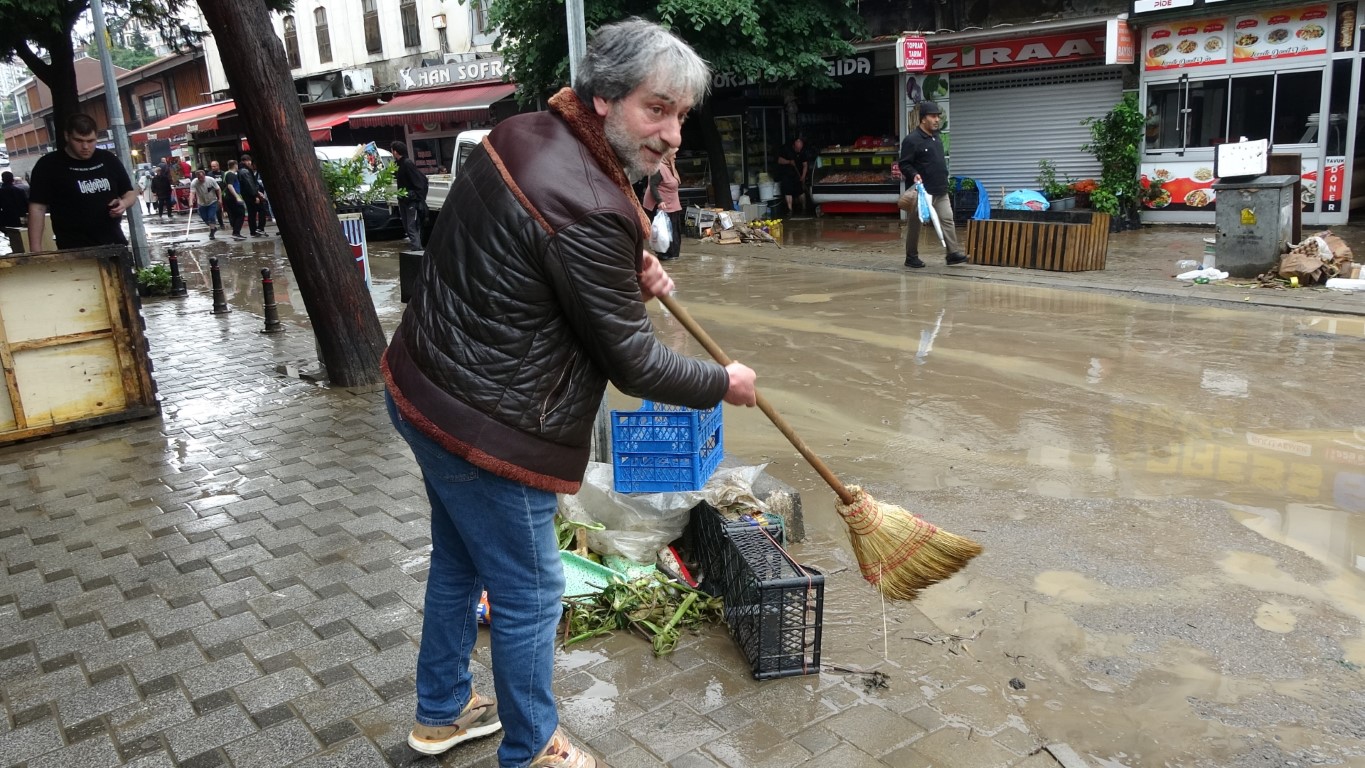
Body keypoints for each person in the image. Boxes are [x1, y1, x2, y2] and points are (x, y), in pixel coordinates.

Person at [382, 17, 757, 768]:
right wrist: (723, 382)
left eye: (681, 115)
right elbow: (636, 364)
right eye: (656, 109)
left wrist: (623, 273)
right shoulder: (590, 204)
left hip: (423, 386)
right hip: (490, 428)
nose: (672, 135)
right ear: (603, 98)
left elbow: (531, 269)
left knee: (458, 562)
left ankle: (441, 713)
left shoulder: (519, 133)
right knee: (529, 594)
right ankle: (531, 750)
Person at [26, 113, 139, 249]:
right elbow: (37, 208)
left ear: (96, 136)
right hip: (73, 247)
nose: (85, 146)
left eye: (91, 141)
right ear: (67, 136)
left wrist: (124, 204)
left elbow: (130, 193)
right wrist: (35, 251)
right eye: (79, 141)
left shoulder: (108, 159)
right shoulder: (48, 165)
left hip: (114, 243)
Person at [895, 101, 968, 268]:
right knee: (915, 225)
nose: (937, 120)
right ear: (923, 119)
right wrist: (914, 174)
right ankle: (911, 257)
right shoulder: (912, 140)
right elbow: (904, 164)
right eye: (933, 116)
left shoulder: (936, 138)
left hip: (940, 189)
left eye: (938, 117)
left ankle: (952, 254)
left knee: (947, 219)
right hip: (921, 193)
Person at [642, 150, 683, 260]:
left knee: (674, 231)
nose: (675, 156)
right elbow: (653, 186)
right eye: (673, 154)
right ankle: (666, 255)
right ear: (667, 155)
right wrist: (660, 201)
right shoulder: (658, 167)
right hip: (663, 206)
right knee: (666, 233)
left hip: (672, 204)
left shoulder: (669, 167)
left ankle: (672, 256)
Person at [390, 141, 428, 251]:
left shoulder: (407, 163)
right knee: (407, 226)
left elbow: (419, 181)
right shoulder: (398, 164)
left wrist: (415, 197)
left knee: (411, 225)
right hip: (403, 199)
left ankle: (417, 248)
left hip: (411, 200)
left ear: (395, 152)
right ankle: (416, 247)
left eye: (392, 150)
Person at [776, 137, 812, 216]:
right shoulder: (786, 149)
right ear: (794, 146)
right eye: (797, 149)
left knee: (800, 191)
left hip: (797, 175)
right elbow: (779, 160)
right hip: (787, 174)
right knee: (788, 191)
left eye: (800, 148)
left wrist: (803, 176)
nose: (799, 150)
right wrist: (789, 162)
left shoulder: (803, 152)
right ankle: (790, 209)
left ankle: (804, 208)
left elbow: (805, 165)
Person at [238, 154, 267, 236]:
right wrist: (256, 195)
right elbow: (250, 184)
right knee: (261, 210)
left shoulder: (241, 170)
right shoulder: (245, 171)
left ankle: (253, 231)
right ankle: (260, 228)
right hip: (251, 195)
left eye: (249, 160)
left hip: (247, 194)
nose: (249, 162)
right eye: (247, 161)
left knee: (252, 213)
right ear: (243, 161)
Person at [190, 168, 221, 240]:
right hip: (201, 202)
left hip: (212, 201)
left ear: (204, 176)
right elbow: (192, 193)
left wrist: (220, 199)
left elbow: (218, 189)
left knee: (211, 216)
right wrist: (191, 201)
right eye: (199, 178)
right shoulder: (194, 182)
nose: (201, 179)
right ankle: (213, 227)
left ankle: (212, 232)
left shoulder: (210, 180)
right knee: (204, 218)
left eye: (202, 177)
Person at [222, 159, 247, 240]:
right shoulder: (231, 175)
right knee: (241, 213)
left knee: (234, 214)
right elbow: (230, 186)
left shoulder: (225, 173)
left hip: (228, 197)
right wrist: (237, 196)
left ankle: (236, 232)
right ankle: (236, 233)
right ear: (235, 165)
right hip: (232, 197)